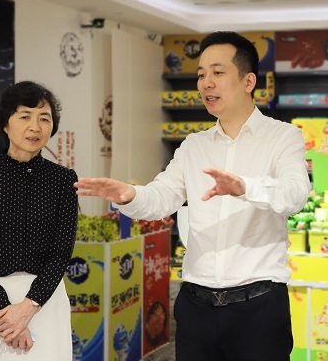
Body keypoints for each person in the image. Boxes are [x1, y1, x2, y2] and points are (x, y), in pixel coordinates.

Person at [75, 31, 312, 360]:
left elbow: (295, 194)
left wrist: (245, 187)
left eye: (218, 72)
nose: (206, 83)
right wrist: (129, 195)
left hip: (257, 309)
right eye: (201, 75)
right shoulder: (193, 146)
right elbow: (162, 197)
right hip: (196, 308)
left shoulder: (283, 137)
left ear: (248, 81)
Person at [0, 81, 79, 360]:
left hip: (44, 302)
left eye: (44, 118)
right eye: (25, 116)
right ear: (5, 124)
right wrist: (5, 314)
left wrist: (28, 307)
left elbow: (61, 252)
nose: (35, 127)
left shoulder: (63, 180)